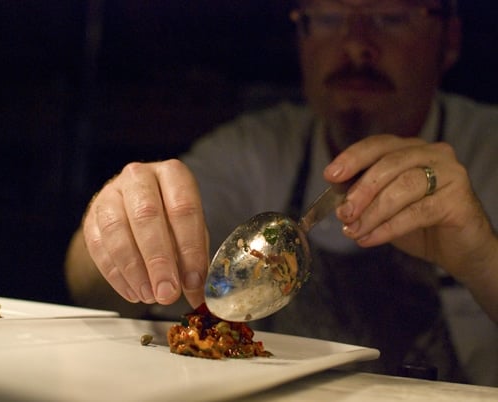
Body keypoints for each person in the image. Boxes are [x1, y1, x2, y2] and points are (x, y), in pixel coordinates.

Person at [65, 0, 498, 385]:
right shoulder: (257, 149)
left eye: (391, 17)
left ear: (450, 38)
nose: (355, 46)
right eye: (328, 17)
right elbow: (87, 287)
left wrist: (483, 259)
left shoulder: (488, 149)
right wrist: (115, 220)